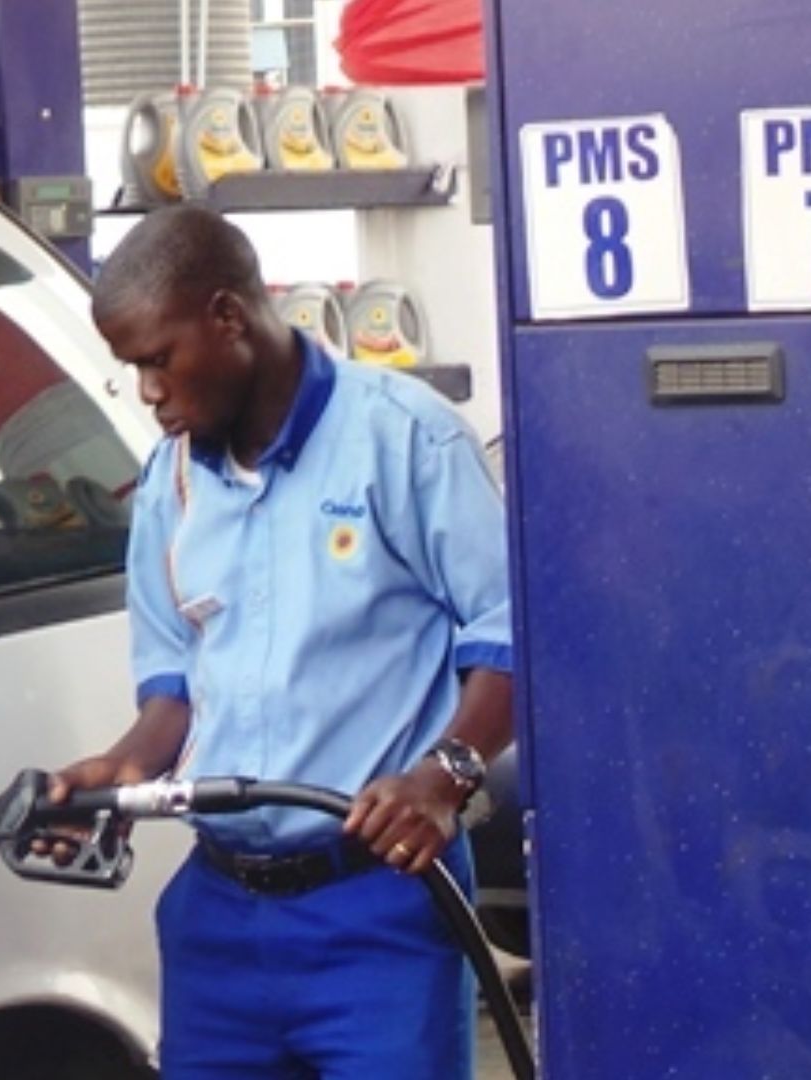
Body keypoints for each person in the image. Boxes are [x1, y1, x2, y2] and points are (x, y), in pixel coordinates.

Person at [45, 205, 515, 1079]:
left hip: (378, 913)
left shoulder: (403, 437)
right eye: (134, 370)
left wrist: (442, 777)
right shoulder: (171, 486)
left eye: (157, 360)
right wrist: (112, 776)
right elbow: (173, 694)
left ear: (228, 317)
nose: (149, 394)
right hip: (218, 920)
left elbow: (512, 638)